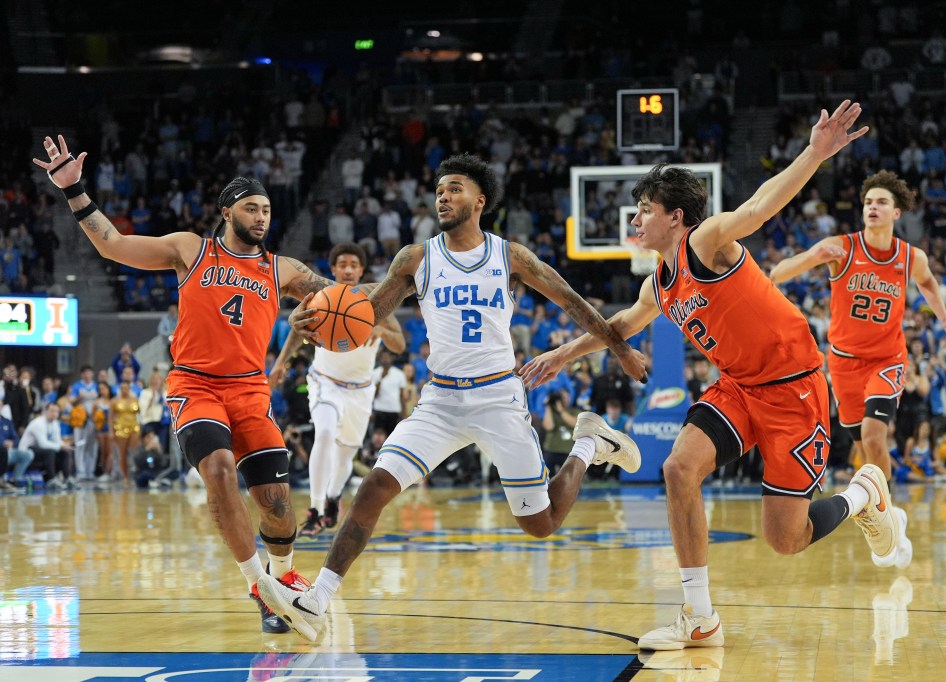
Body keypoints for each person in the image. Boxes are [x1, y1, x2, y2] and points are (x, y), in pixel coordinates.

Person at [520, 101, 898, 650]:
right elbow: (621, 324)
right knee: (678, 469)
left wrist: (815, 152)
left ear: (676, 216)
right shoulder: (660, 282)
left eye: (645, 209)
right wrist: (561, 355)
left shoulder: (708, 242)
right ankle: (700, 618)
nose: (635, 220)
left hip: (794, 389)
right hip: (740, 389)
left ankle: (864, 494)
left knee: (786, 539)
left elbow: (760, 206)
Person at [256, 152, 648, 641]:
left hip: (497, 399)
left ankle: (588, 443)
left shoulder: (510, 256)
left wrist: (621, 348)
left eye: (455, 188)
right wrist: (315, 327)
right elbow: (364, 320)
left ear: (479, 201)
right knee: (375, 486)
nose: (443, 196)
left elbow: (572, 301)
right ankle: (317, 599)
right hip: (439, 402)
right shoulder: (415, 258)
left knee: (541, 524)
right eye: (440, 190)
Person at [34, 134, 345, 634]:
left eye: (266, 208)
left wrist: (409, 281)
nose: (261, 216)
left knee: (279, 508)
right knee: (219, 470)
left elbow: (343, 300)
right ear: (228, 211)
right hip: (195, 385)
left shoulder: (281, 268)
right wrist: (74, 190)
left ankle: (283, 572)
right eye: (251, 207)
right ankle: (260, 588)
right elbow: (112, 246)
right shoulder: (190, 250)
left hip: (250, 390)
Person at [769, 170, 946, 569]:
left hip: (888, 359)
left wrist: (944, 319)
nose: (872, 208)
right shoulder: (841, 248)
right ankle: (891, 516)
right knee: (862, 447)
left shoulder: (911, 257)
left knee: (875, 437)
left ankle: (888, 518)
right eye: (867, 202)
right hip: (843, 363)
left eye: (880, 202)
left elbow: (928, 283)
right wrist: (813, 257)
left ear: (896, 211)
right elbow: (777, 274)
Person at [269, 242, 406, 539]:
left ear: (360, 270)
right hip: (325, 381)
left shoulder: (374, 299)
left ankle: (332, 498)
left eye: (353, 265)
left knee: (345, 456)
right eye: (341, 264)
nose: (347, 269)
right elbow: (298, 329)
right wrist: (281, 362)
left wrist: (379, 329)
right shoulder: (320, 297)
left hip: (360, 390)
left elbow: (400, 345)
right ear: (332, 269)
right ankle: (315, 510)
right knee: (326, 432)